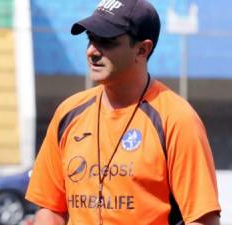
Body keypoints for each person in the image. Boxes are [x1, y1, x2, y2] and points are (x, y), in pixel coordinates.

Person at [25, 0, 221, 224]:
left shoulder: (177, 119)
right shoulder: (68, 113)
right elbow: (50, 208)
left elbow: (202, 219)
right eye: (91, 39)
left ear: (142, 49)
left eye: (106, 42)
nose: (92, 51)